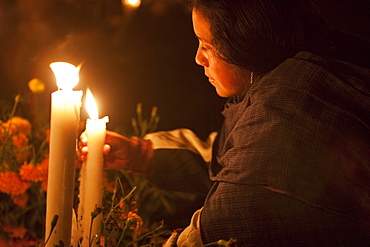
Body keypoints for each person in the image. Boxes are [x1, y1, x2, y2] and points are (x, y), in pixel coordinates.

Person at [79, 0, 370, 245]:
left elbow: (230, 212)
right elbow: (226, 160)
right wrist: (138, 154)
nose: (198, 58)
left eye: (207, 45)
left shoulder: (289, 104)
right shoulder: (285, 80)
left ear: (245, 40)